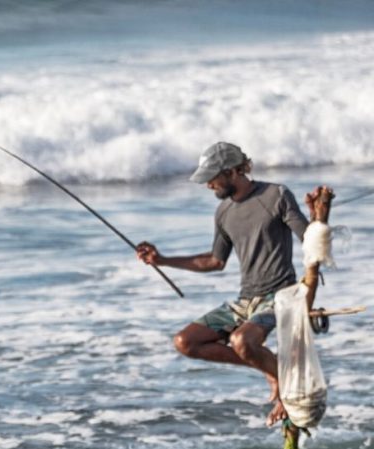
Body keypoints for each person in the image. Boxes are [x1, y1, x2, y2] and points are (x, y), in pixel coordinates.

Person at [135, 142, 329, 426]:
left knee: (242, 340)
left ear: (233, 171)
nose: (208, 185)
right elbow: (214, 261)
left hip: (279, 295)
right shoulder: (223, 213)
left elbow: (309, 239)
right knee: (185, 342)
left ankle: (285, 391)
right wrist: (162, 260)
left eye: (212, 177)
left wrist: (319, 218)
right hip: (245, 300)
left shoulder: (275, 195)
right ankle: (268, 366)